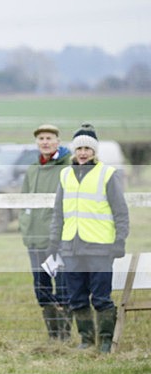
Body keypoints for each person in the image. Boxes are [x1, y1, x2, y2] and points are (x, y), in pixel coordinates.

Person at [48, 124, 130, 353]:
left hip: (100, 247)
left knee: (101, 297)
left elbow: (121, 212)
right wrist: (54, 241)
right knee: (77, 297)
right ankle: (87, 340)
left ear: (94, 151)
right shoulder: (65, 175)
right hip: (71, 248)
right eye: (79, 148)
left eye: (87, 148)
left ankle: (105, 341)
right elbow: (58, 212)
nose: (83, 153)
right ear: (74, 151)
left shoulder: (107, 174)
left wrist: (119, 241)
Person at [18, 124, 72, 341]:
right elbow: (24, 202)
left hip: (58, 239)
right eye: (41, 139)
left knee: (63, 287)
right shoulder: (32, 169)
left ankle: (65, 335)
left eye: (49, 138)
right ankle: (53, 335)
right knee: (41, 288)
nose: (45, 142)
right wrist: (25, 227)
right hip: (34, 239)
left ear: (57, 141)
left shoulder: (67, 167)